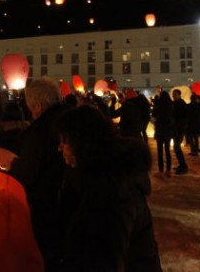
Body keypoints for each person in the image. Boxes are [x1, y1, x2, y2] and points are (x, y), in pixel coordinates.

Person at [56, 105, 163, 271]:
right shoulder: (98, 177)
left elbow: (104, 260)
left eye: (64, 141)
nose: (60, 148)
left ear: (80, 142)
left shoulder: (110, 192)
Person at [8, 77, 69, 271]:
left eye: (31, 108)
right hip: (70, 205)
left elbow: (26, 173)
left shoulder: (40, 131)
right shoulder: (72, 120)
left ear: (39, 106)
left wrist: (14, 168)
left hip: (47, 207)